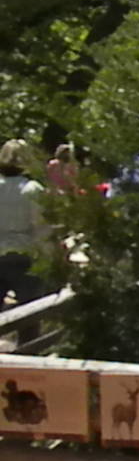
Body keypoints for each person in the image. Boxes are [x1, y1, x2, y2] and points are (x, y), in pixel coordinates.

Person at [0, 140, 49, 347]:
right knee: (29, 314)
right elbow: (41, 228)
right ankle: (28, 357)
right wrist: (49, 256)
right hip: (25, 255)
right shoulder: (33, 189)